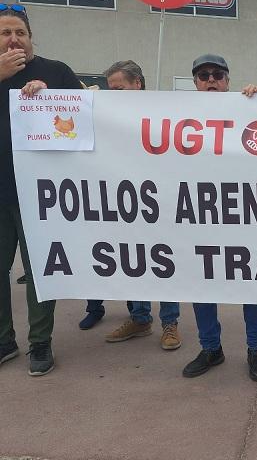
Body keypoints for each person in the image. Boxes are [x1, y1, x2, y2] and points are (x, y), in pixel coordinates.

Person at [77, 60, 183, 351]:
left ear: (138, 83)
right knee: (132, 262)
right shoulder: (107, 115)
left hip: (160, 202)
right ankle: (139, 318)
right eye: (110, 89)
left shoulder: (164, 112)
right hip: (124, 203)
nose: (114, 94)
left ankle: (170, 322)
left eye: (119, 87)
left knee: (162, 263)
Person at [0, 3, 83, 375]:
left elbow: (84, 117)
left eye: (20, 32)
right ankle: (4, 341)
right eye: (5, 33)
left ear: (31, 38)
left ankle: (40, 343)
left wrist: (52, 97)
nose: (13, 39)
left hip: (39, 192)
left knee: (39, 271)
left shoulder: (56, 71)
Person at [181, 54, 257, 382]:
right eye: (203, 75)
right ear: (195, 82)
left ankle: (256, 350)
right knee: (203, 288)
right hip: (201, 217)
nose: (211, 80)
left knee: (253, 287)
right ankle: (211, 348)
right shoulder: (179, 116)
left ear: (228, 80)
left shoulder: (247, 106)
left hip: (245, 216)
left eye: (217, 74)